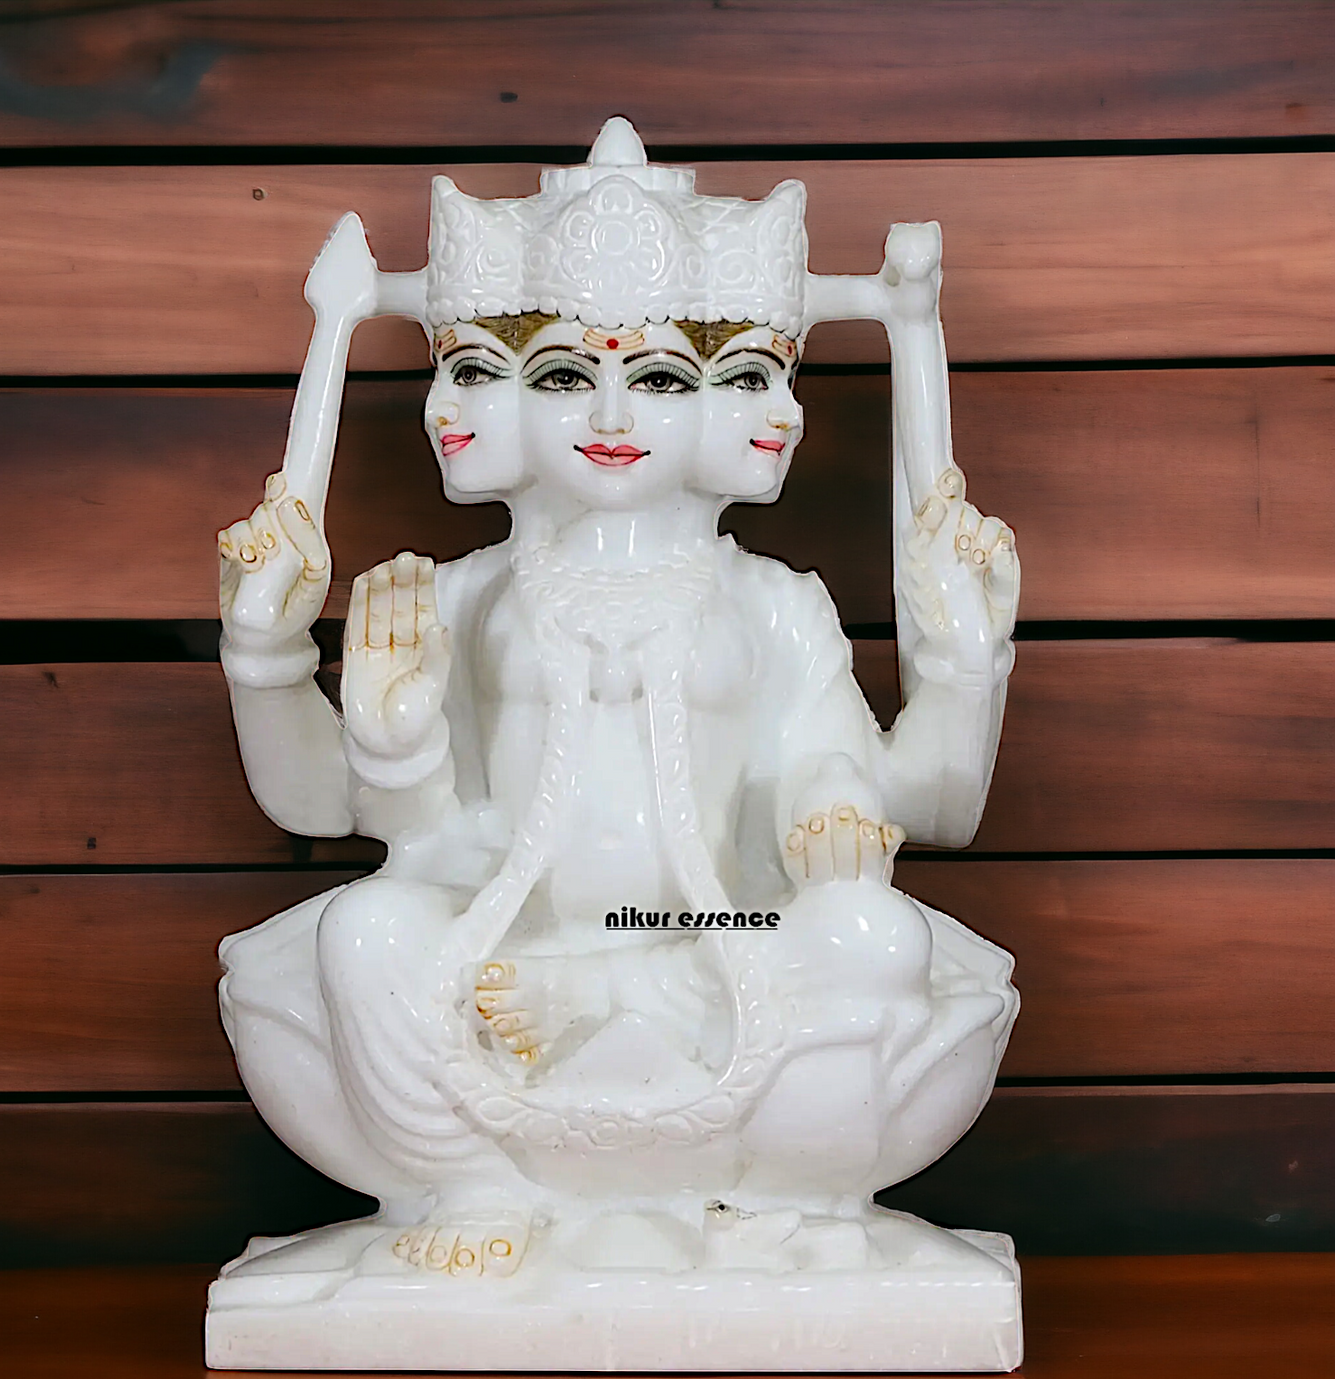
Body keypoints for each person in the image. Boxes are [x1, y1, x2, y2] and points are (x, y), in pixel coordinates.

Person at [214, 120, 1019, 1275]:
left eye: (659, 379)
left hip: (721, 947)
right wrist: (276, 657)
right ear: (478, 393)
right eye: (559, 376)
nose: (607, 420)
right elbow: (335, 812)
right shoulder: (457, 598)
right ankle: (473, 1185)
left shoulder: (773, 604)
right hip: (508, 957)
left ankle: (776, 1197)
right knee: (365, 931)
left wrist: (950, 674)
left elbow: (897, 796)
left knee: (870, 934)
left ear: (750, 402)